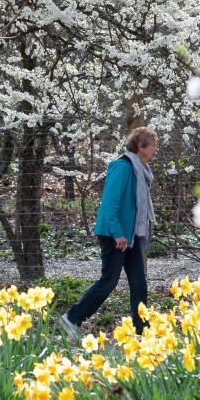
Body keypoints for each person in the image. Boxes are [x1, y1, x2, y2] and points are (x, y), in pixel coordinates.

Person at [60, 126, 158, 338]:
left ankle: (142, 331)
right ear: (140, 147)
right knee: (109, 281)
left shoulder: (140, 171)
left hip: (129, 235)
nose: (156, 149)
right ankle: (72, 318)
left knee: (139, 283)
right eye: (153, 145)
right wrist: (118, 234)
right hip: (116, 235)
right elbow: (110, 204)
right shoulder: (123, 167)